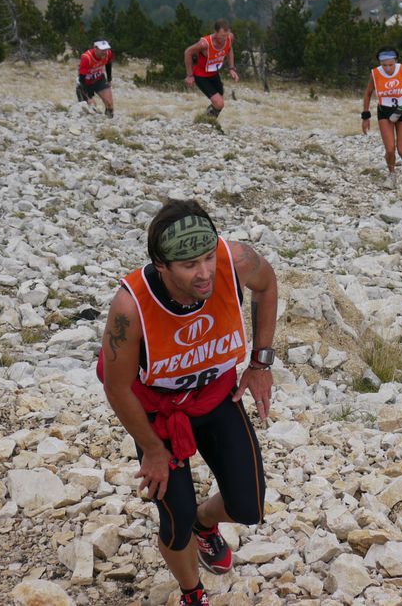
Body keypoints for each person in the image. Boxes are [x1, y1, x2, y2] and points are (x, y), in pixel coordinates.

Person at [98, 199, 277, 606]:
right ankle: (191, 592)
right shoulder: (131, 306)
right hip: (159, 414)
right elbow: (116, 386)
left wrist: (260, 363)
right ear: (162, 265)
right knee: (174, 522)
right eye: (189, 265)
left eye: (207, 258)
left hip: (214, 396)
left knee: (248, 507)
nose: (204, 273)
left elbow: (267, 286)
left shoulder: (235, 261)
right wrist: (154, 451)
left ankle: (205, 522)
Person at [361, 46, 402, 189]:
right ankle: (391, 175)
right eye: (384, 65)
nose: (388, 68)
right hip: (384, 112)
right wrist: (365, 116)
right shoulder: (375, 74)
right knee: (390, 149)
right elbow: (367, 94)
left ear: (396, 61)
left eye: (391, 65)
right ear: (380, 63)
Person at [184, 20, 239, 118]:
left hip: (214, 73)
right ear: (215, 32)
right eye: (222, 36)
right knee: (219, 103)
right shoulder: (204, 44)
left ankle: (206, 120)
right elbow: (188, 52)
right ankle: (206, 122)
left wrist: (231, 68)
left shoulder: (229, 38)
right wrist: (190, 75)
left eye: (226, 35)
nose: (224, 39)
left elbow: (229, 49)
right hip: (201, 75)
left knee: (219, 102)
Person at [77, 40, 115, 118]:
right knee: (92, 107)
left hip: (99, 79)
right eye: (102, 50)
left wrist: (109, 79)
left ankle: (108, 122)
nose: (105, 52)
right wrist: (87, 96)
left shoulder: (108, 53)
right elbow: (81, 79)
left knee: (110, 104)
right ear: (95, 48)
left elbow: (108, 64)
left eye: (106, 49)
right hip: (85, 83)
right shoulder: (86, 57)